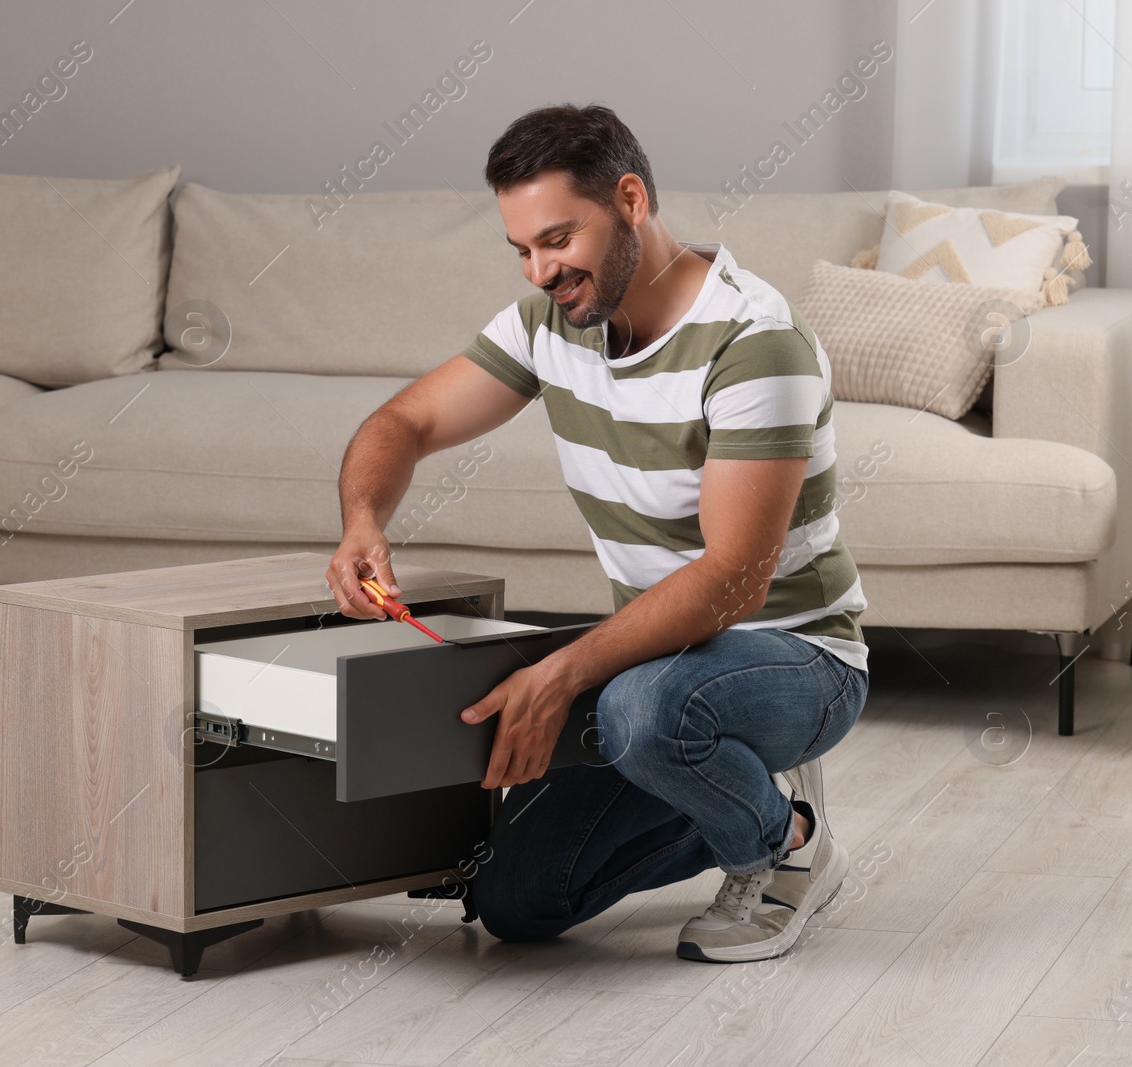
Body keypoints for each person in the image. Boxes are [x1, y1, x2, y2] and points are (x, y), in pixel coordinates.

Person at [324, 103, 869, 963]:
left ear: (629, 199)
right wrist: (362, 522)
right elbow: (405, 422)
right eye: (523, 251)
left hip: (796, 658)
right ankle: (727, 791)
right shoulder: (551, 326)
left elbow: (735, 581)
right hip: (658, 664)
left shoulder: (752, 341)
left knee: (639, 709)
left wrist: (561, 673)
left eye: (558, 239)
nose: (541, 271)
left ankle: (788, 839)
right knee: (516, 902)